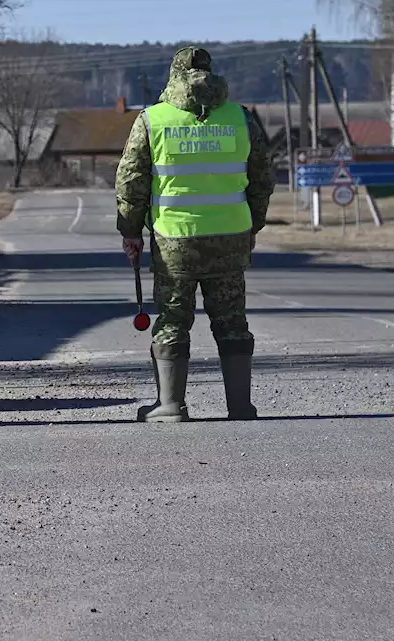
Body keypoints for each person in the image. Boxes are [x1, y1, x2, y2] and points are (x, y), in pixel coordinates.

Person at [116, 47, 275, 422]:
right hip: (232, 236)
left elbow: (132, 180)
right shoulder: (240, 118)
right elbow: (263, 177)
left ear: (173, 76)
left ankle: (170, 406)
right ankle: (240, 406)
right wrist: (253, 223)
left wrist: (130, 231)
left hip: (175, 240)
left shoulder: (153, 120)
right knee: (233, 321)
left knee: (173, 320)